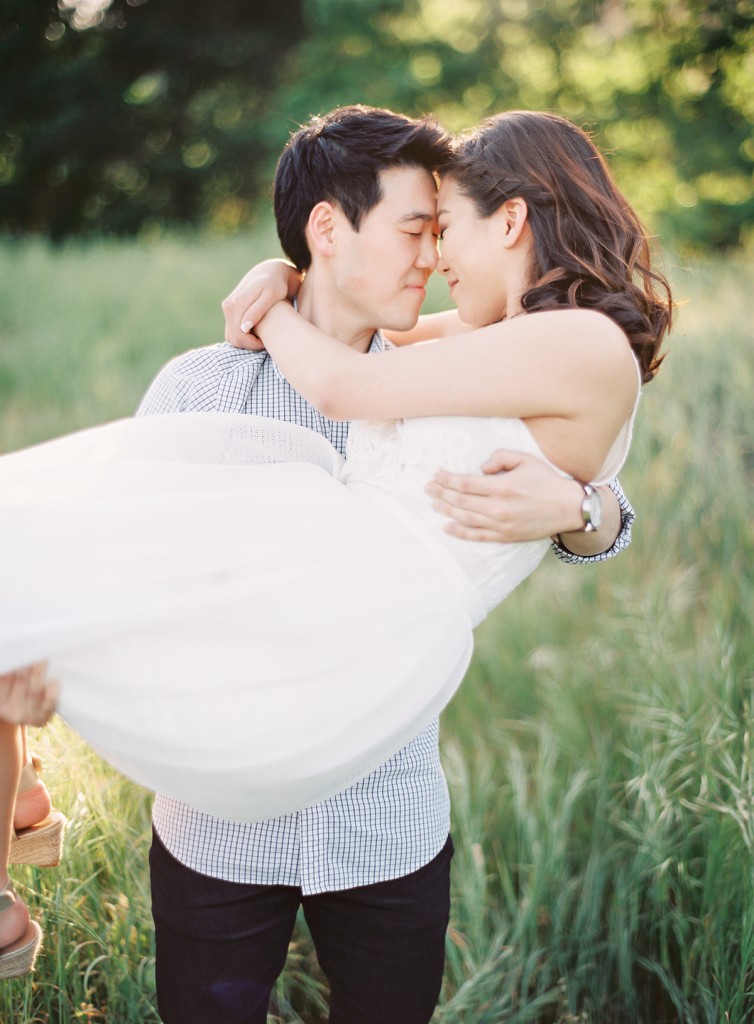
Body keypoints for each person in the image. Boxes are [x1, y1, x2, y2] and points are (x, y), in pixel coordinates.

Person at [0, 105, 671, 1024]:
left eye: (444, 230)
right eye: (416, 229)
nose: (435, 256)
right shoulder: (207, 384)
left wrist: (592, 508)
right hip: (222, 822)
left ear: (508, 220)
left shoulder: (435, 372)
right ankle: (17, 811)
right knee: (22, 592)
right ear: (328, 228)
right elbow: (129, 555)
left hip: (383, 807)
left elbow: (572, 460)